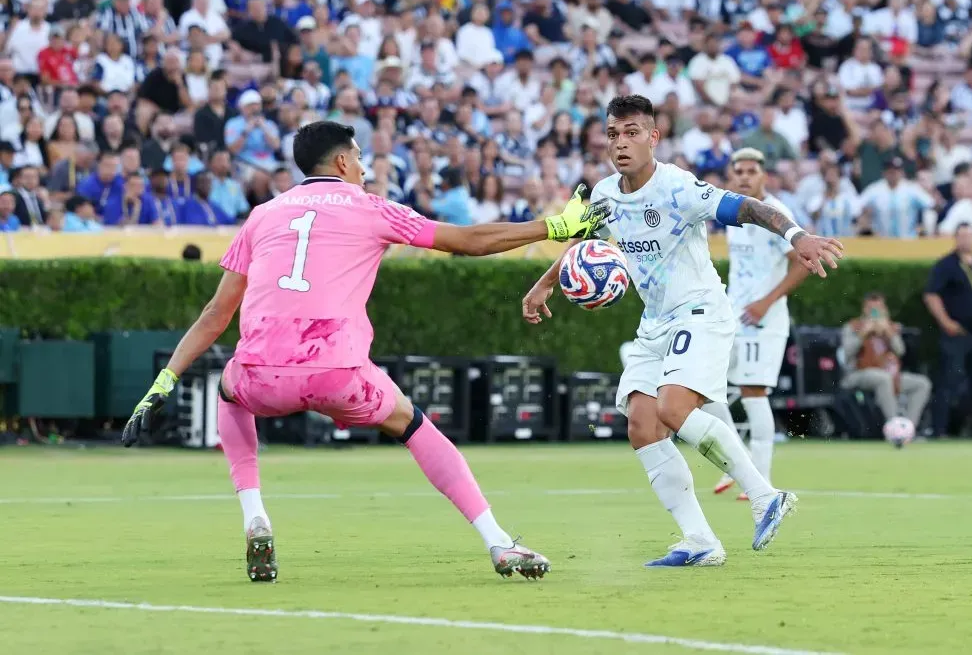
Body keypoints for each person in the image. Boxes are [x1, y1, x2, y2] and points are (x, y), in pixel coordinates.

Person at [121, 121, 608, 583]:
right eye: (358, 157)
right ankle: (499, 542)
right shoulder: (370, 206)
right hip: (337, 371)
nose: (364, 167)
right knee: (415, 425)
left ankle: (256, 517)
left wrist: (165, 381)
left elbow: (215, 313)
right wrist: (556, 228)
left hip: (263, 375)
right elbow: (469, 241)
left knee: (229, 388)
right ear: (339, 162)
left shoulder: (262, 215)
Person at [522, 95, 843, 567]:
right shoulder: (606, 195)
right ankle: (699, 540)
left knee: (673, 407)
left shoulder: (678, 188)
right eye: (613, 134)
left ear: (653, 137)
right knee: (641, 423)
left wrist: (798, 237)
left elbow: (749, 208)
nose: (621, 143)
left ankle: (764, 495)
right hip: (655, 322)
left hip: (701, 312)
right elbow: (583, 244)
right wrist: (544, 285)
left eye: (632, 132)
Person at [704, 148, 810, 500]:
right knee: (707, 386)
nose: (746, 176)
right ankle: (739, 461)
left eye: (752, 171)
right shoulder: (734, 212)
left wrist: (766, 302)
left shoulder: (776, 213)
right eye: (740, 171)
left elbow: (803, 262)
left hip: (764, 320)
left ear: (764, 176)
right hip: (733, 314)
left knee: (753, 391)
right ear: (732, 177)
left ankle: (759, 479)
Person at [923, 224, 972, 438]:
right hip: (956, 334)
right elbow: (931, 295)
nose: (966, 240)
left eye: (969, 235)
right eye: (962, 236)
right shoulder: (946, 265)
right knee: (948, 381)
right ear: (955, 239)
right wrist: (946, 321)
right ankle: (939, 429)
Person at [840, 293, 932, 430]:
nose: (875, 312)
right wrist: (863, 334)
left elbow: (900, 351)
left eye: (879, 308)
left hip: (890, 374)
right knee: (883, 378)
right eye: (872, 308)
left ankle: (909, 428)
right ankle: (895, 426)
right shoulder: (853, 327)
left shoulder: (891, 327)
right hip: (859, 373)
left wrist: (889, 333)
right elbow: (847, 354)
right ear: (864, 309)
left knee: (922, 383)